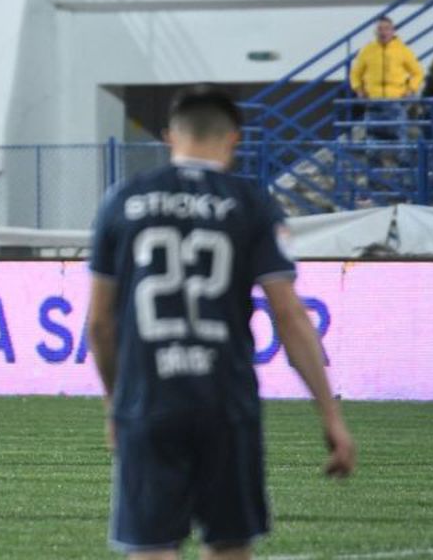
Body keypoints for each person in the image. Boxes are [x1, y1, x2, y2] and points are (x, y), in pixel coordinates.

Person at [86, 86, 356, 559]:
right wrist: (330, 414)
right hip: (225, 401)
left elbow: (99, 324)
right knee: (229, 546)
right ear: (234, 137)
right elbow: (290, 316)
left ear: (170, 136)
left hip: (148, 399)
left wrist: (115, 404)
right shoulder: (251, 203)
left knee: (151, 547)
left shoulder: (122, 201)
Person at [349, 16, 424, 142]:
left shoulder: (403, 50)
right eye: (380, 29)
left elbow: (418, 72)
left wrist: (411, 90)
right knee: (373, 141)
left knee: (400, 139)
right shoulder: (367, 50)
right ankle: (374, 161)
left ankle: (402, 160)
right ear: (375, 32)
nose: (383, 32)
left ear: (393, 31)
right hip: (373, 102)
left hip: (396, 101)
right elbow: (355, 73)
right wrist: (358, 89)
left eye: (387, 29)